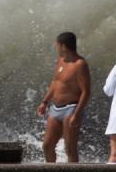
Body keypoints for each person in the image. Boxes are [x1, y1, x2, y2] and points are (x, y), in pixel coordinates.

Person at [36, 31, 91, 163]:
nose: (56, 48)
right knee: (47, 145)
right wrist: (44, 102)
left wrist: (76, 114)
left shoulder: (80, 64)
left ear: (64, 47)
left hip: (71, 109)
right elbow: (55, 83)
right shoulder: (61, 61)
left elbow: (86, 91)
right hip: (55, 109)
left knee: (70, 148)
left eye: (57, 45)